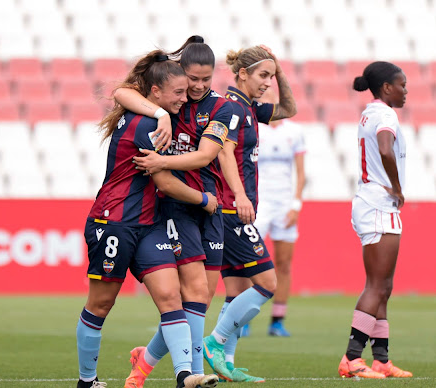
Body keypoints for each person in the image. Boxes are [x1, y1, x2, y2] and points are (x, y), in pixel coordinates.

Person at [75, 49, 218, 388]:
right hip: (115, 222)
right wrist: (204, 199)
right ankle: (87, 381)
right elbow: (165, 181)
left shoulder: (149, 113)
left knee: (171, 296)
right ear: (156, 93)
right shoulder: (149, 125)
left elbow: (123, 92)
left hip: (148, 223)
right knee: (101, 303)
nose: (185, 99)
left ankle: (185, 374)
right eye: (179, 93)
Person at [111, 36, 234, 386]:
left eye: (204, 80)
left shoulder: (221, 108)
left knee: (202, 298)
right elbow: (121, 93)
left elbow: (206, 155)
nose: (195, 87)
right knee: (192, 292)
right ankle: (192, 375)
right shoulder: (172, 99)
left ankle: (144, 361)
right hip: (174, 205)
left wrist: (161, 160)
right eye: (191, 79)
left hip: (209, 203)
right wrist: (160, 111)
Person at [202, 45, 297, 383]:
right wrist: (241, 196)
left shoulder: (248, 108)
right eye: (263, 75)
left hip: (231, 210)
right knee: (267, 283)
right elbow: (225, 152)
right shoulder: (232, 109)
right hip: (231, 210)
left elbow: (289, 108)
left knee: (237, 291)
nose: (268, 82)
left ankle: (225, 362)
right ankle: (214, 342)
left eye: (271, 76)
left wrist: (279, 70)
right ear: (242, 74)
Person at [337, 61, 412, 379]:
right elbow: (385, 148)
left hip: (370, 202)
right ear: (386, 88)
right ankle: (352, 359)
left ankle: (380, 358)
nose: (406, 91)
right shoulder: (385, 114)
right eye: (402, 84)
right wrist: (396, 187)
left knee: (384, 286)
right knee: (377, 285)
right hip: (380, 204)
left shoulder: (370, 111)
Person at [246, 87, 306, 337]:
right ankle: (244, 318)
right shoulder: (254, 128)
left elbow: (301, 173)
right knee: (250, 260)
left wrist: (296, 205)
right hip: (258, 203)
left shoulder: (295, 132)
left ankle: (277, 320)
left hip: (283, 203)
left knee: (283, 263)